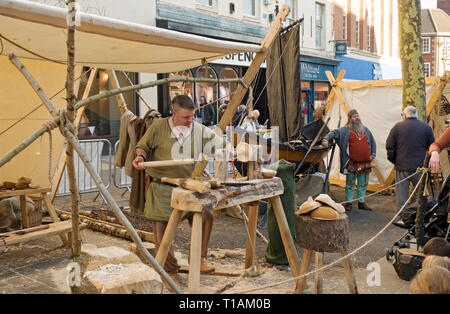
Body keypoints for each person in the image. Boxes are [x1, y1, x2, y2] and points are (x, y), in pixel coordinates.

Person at [132, 95, 225, 281]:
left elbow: (221, 146)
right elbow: (142, 146)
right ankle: (167, 268)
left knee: (206, 213)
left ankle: (199, 258)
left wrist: (232, 150)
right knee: (163, 238)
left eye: (192, 116)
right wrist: (141, 157)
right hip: (162, 187)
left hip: (190, 185)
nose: (190, 120)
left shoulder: (198, 130)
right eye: (186, 117)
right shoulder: (158, 127)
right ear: (174, 113)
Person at [322, 109, 376, 211]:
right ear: (350, 118)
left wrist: (373, 154)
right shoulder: (344, 130)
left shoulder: (365, 130)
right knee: (350, 184)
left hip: (365, 163)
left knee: (363, 183)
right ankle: (349, 203)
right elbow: (333, 133)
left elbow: (372, 142)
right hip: (351, 163)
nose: (357, 118)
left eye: (358, 115)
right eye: (355, 116)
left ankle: (361, 202)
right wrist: (325, 139)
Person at [386, 106, 435, 211]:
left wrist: (395, 161)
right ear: (416, 114)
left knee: (401, 196)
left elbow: (389, 147)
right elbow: (432, 147)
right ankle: (417, 217)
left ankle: (401, 217)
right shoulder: (426, 128)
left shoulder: (397, 127)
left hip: (402, 166)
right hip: (420, 166)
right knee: (420, 195)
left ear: (404, 115)